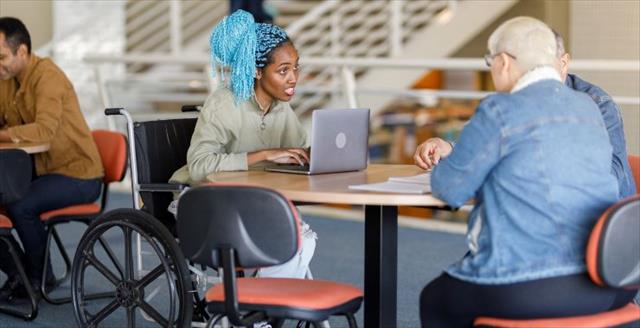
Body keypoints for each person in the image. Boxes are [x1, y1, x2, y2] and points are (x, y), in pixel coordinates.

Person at [415, 17, 635, 327]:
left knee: (435, 298)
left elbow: (450, 189)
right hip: (606, 279)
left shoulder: (498, 109)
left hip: (528, 286)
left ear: (503, 63)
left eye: (490, 63)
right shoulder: (590, 106)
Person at [169, 10, 316, 279]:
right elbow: (200, 166)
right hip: (205, 201)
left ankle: (259, 310)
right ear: (258, 71)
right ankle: (258, 312)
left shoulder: (280, 107)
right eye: (283, 70)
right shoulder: (225, 103)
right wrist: (264, 154)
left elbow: (300, 150)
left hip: (251, 200)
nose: (293, 78)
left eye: (296, 68)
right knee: (292, 243)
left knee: (303, 241)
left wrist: (315, 154)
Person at [0, 17, 103, 302]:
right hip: (43, 173)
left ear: (22, 51)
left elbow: (44, 129)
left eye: (2, 57)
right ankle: (19, 274)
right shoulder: (7, 80)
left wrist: (6, 134)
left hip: (79, 175)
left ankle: (38, 279)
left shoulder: (48, 77)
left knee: (21, 205)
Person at [554, 30, 636, 199]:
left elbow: (612, 177)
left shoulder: (599, 103)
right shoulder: (525, 101)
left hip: (610, 212)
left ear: (563, 63)